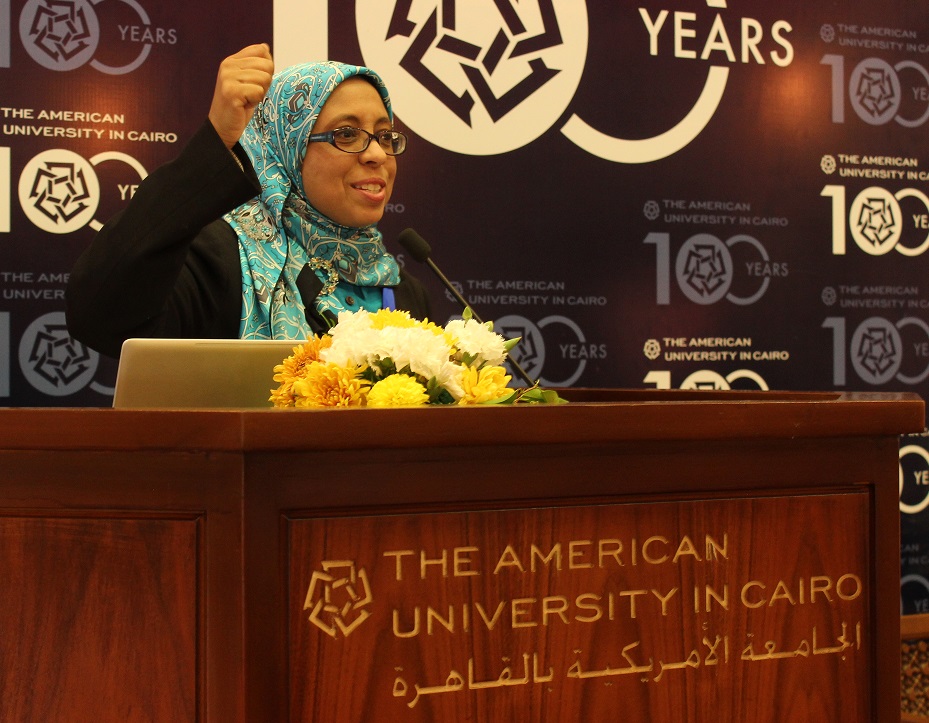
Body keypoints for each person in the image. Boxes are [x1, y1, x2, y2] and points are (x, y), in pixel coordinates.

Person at [66, 43, 431, 359]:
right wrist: (216, 141)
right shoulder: (219, 259)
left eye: (385, 136)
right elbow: (101, 316)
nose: (377, 155)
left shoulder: (399, 288)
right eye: (347, 134)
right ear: (286, 147)